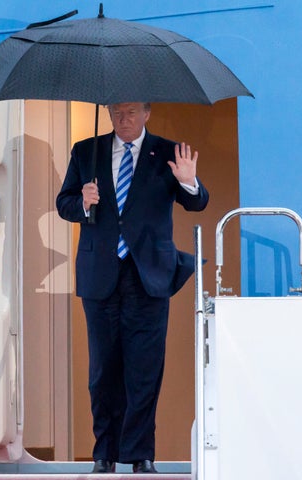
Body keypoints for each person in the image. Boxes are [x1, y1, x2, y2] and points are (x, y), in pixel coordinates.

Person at [56, 102, 209, 474]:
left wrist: (189, 180)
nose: (122, 121)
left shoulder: (168, 152)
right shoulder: (85, 150)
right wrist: (83, 203)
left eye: (129, 113)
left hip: (149, 276)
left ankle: (141, 456)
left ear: (146, 113)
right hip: (101, 274)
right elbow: (64, 203)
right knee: (103, 372)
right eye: (116, 113)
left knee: (144, 371)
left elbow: (197, 202)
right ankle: (103, 455)